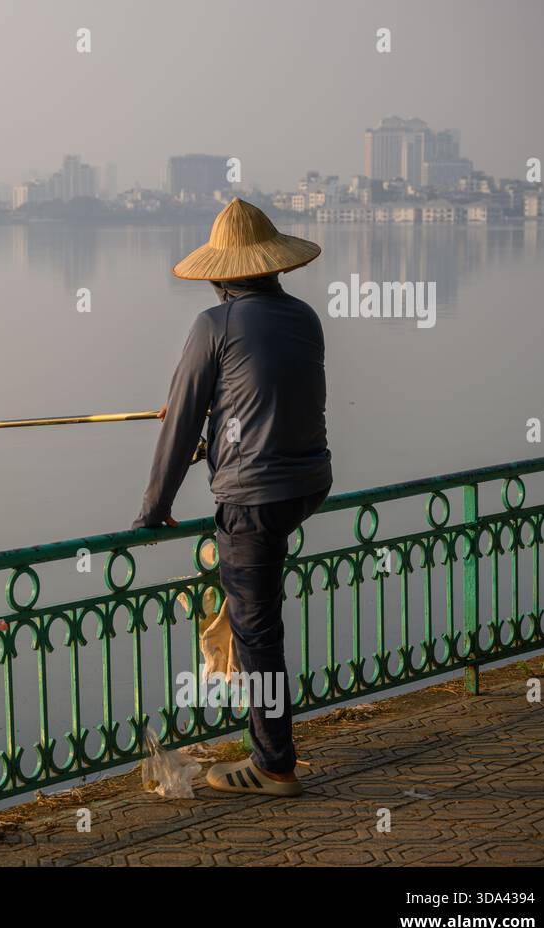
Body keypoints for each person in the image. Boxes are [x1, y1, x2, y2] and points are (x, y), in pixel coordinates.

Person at [132, 198, 332, 797]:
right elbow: (263, 404)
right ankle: (272, 753)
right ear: (273, 266)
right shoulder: (305, 317)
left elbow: (180, 424)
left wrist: (152, 508)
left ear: (220, 273)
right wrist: (217, 422)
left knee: (256, 631)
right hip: (307, 484)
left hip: (254, 497)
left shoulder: (213, 325)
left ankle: (274, 766)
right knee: (261, 617)